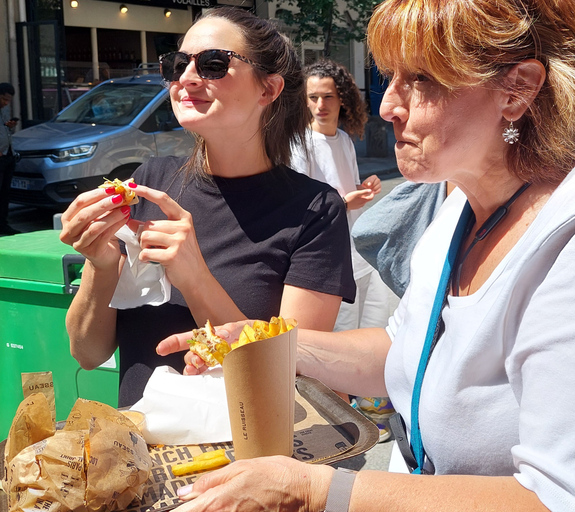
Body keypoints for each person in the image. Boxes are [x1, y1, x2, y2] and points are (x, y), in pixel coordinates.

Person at [159, 0, 575, 509]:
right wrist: (258, 341)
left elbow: (573, 501)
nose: (389, 105)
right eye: (392, 77)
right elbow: (404, 351)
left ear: (517, 90)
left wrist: (315, 490)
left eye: (421, 80)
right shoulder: (461, 210)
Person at [58, 7, 355, 407]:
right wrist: (101, 263)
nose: (186, 78)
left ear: (268, 90)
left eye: (213, 64)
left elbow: (294, 375)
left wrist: (195, 279)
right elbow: (87, 354)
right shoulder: (150, 184)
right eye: (176, 64)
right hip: (139, 451)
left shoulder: (315, 210)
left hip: (243, 456)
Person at [290, 59, 397, 440]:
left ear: (343, 100)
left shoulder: (346, 141)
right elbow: (299, 203)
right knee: (332, 338)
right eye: (313, 98)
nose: (320, 105)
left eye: (328, 97)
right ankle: (333, 422)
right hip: (322, 254)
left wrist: (361, 191)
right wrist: (343, 202)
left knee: (357, 331)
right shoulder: (299, 142)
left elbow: (344, 191)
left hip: (354, 248)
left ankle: (359, 414)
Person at [0, 83, 19, 236]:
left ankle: (3, 224)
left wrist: (10, 126)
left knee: (5, 192)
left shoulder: (3, 111)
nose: (6, 103)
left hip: (8, 154)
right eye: (4, 99)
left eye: (8, 100)